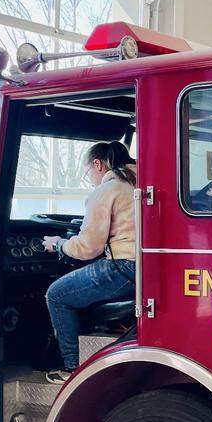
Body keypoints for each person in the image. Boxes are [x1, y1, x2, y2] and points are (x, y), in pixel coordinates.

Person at [43, 141, 137, 383]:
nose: (90, 179)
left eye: (88, 174)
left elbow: (88, 247)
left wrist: (59, 245)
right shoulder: (139, 181)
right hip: (146, 269)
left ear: (98, 164)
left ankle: (72, 368)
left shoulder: (107, 190)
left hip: (123, 268)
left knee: (57, 295)